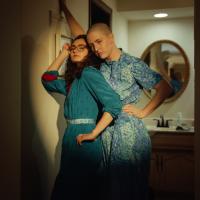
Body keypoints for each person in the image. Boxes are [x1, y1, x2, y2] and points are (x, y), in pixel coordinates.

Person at [60, 2, 173, 200]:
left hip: (129, 136)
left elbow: (165, 87)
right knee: (105, 190)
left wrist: (143, 112)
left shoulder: (132, 64)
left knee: (128, 190)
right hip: (105, 134)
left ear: (111, 37)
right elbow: (81, 35)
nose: (95, 48)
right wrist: (64, 8)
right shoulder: (98, 63)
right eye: (92, 44)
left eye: (99, 42)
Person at [41, 34, 122, 200]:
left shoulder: (89, 74)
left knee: (78, 189)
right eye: (73, 48)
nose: (75, 51)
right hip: (71, 136)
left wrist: (94, 133)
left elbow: (114, 104)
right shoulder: (75, 80)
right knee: (69, 187)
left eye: (81, 47)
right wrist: (63, 54)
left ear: (90, 52)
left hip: (85, 138)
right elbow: (47, 79)